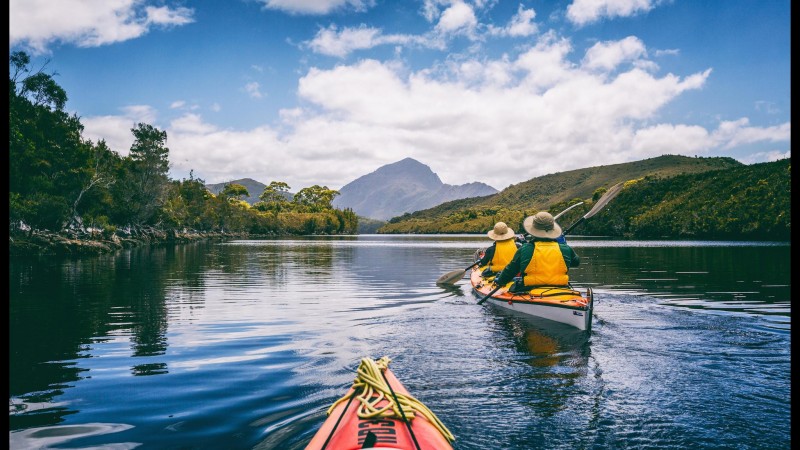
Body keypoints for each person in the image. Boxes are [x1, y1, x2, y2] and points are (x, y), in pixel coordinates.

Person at [493, 211, 580, 291]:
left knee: (513, 287)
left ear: (533, 230)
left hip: (528, 288)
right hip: (561, 287)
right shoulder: (565, 249)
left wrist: (500, 281)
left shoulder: (525, 249)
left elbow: (511, 270)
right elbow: (576, 262)